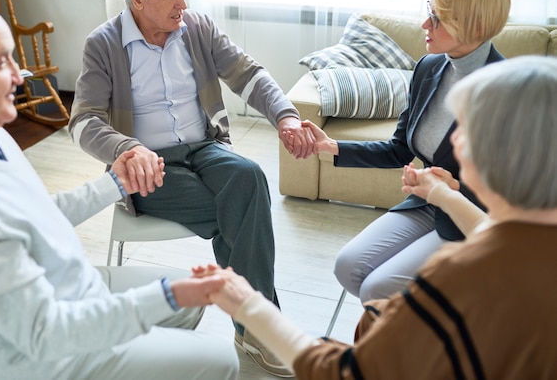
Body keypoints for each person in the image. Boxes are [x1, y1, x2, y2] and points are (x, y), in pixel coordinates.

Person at [0, 0, 239, 380]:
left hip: (68, 290)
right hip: (45, 359)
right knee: (219, 357)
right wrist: (167, 296)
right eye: (0, 62)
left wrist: (115, 182)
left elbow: (38, 215)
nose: (19, 74)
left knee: (188, 301)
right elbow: (45, 334)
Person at [200, 55, 557, 379]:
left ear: (501, 152)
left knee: (375, 307)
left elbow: (345, 371)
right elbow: (494, 233)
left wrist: (252, 308)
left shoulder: (456, 275)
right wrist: (442, 193)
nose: (455, 140)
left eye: (465, 129)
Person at [68, 0, 314, 375]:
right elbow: (82, 122)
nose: (184, 3)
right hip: (149, 166)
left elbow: (248, 74)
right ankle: (261, 328)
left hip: (204, 147)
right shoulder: (104, 44)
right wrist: (127, 148)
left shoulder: (197, 28)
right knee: (238, 206)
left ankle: (255, 327)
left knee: (248, 176)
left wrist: (286, 117)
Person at [293, 0, 511, 303]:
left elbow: (514, 193)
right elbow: (399, 148)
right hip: (427, 203)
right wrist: (331, 146)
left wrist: (451, 191)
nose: (425, 25)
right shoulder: (428, 68)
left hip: (472, 221)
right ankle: (412, 335)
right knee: (348, 267)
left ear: (475, 28)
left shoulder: (508, 92)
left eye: (436, 19)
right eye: (429, 11)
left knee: (377, 288)